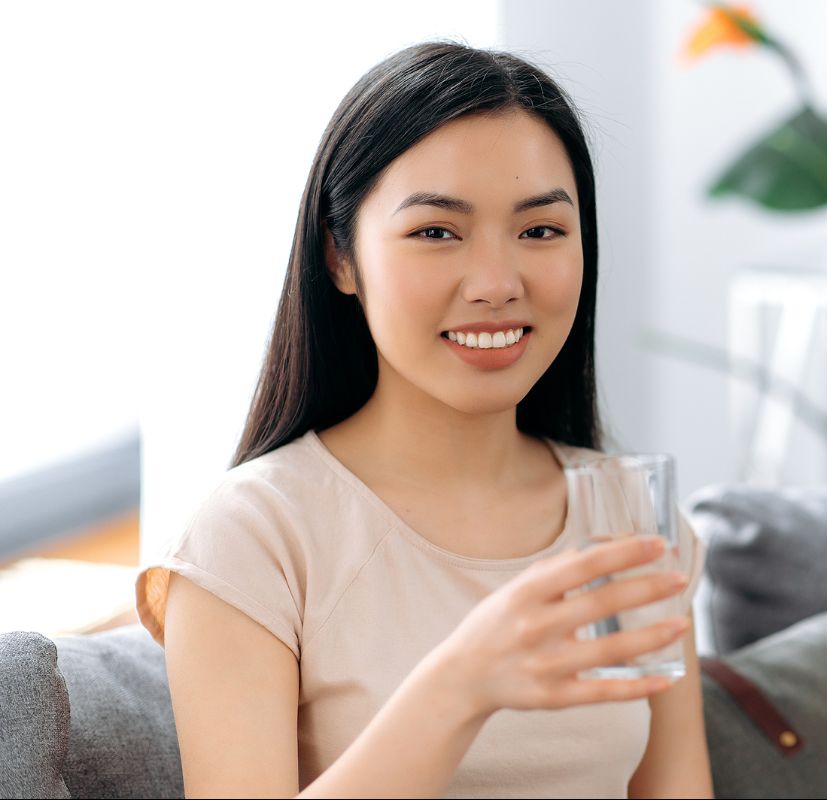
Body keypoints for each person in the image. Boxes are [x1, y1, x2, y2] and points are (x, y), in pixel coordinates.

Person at [135, 40, 713, 799]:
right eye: (437, 232)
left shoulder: (631, 518)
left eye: (540, 230)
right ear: (341, 258)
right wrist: (460, 686)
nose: (497, 284)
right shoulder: (254, 534)